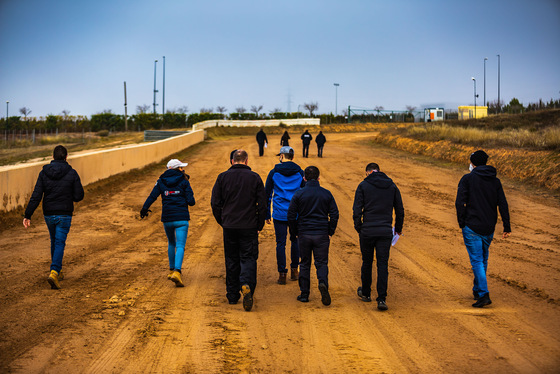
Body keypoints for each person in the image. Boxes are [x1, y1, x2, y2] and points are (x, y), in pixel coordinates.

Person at [211, 150, 266, 311]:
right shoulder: (255, 177)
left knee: (231, 259)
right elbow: (262, 204)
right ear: (247, 161)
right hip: (249, 226)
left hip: (229, 226)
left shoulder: (222, 178)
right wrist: (259, 225)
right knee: (248, 258)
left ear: (232, 161)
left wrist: (222, 221)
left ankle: (232, 295)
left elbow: (215, 203)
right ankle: (246, 284)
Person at [23, 145, 84, 289]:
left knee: (54, 241)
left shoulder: (43, 173)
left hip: (49, 214)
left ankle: (58, 270)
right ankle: (55, 271)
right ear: (66, 157)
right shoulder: (72, 173)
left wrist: (28, 214)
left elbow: (36, 195)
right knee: (59, 242)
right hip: (64, 214)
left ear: (52, 157)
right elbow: (79, 196)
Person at [455, 150, 511, 308]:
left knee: (477, 261)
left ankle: (484, 294)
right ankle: (478, 289)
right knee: (483, 259)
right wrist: (506, 226)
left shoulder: (467, 179)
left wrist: (462, 222)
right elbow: (503, 204)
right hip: (489, 227)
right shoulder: (495, 181)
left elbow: (460, 203)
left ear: (473, 163)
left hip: (471, 226)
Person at [352, 163, 404, 311]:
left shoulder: (363, 185)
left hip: (367, 231)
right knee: (383, 264)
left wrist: (359, 227)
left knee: (367, 262)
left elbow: (357, 209)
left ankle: (366, 293)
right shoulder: (391, 185)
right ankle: (381, 298)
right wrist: (397, 229)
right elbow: (400, 210)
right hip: (384, 231)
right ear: (379, 171)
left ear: (368, 172)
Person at [288, 166, 339, 306]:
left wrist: (294, 232)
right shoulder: (326, 194)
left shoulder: (299, 194)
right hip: (321, 233)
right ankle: (322, 283)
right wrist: (330, 231)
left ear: (304, 178)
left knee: (304, 263)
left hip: (304, 233)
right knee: (321, 263)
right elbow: (334, 214)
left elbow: (291, 215)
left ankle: (304, 294)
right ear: (319, 178)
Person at [140, 159, 195, 287]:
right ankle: (177, 271)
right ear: (178, 169)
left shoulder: (161, 181)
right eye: (181, 167)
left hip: (167, 218)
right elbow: (191, 201)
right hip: (181, 218)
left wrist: (144, 208)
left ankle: (171, 270)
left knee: (171, 243)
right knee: (180, 245)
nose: (183, 169)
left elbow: (152, 196)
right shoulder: (184, 180)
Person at [265, 146, 305, 284]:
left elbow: (267, 194)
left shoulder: (274, 172)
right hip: (296, 214)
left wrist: (267, 213)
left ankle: (282, 274)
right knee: (295, 241)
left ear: (281, 157)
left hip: (279, 213)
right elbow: (305, 194)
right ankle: (295, 271)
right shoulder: (300, 172)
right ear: (292, 157)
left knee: (280, 243)